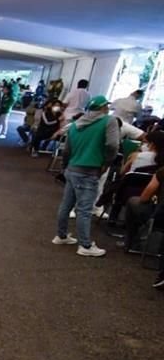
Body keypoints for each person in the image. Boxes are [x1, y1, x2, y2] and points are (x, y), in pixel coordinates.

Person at [53, 96, 120, 257]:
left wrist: (65, 166)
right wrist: (107, 162)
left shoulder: (76, 124)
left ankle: (61, 235)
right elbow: (112, 144)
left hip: (72, 168)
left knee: (66, 204)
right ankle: (85, 245)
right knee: (84, 209)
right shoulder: (109, 121)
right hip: (89, 170)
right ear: (103, 107)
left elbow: (67, 150)